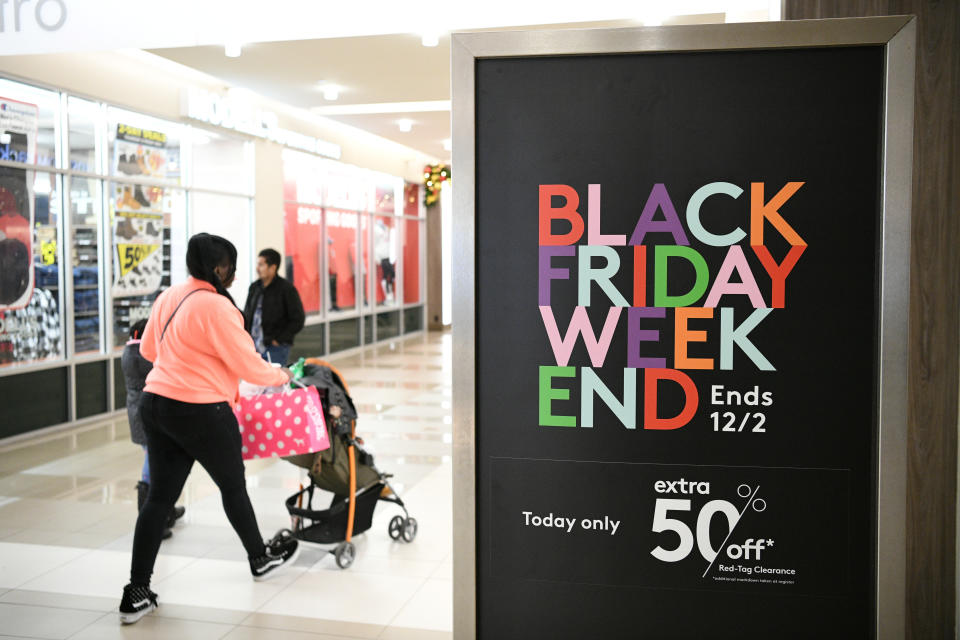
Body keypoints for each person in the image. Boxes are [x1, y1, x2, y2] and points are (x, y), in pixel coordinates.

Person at [119, 233, 299, 625]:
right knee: (232, 487)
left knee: (159, 500)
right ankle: (259, 558)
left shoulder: (169, 296)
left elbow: (148, 351)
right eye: (229, 266)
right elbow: (249, 364)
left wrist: (187, 360)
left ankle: (136, 592)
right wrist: (281, 374)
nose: (233, 274)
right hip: (202, 410)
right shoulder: (217, 306)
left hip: (157, 404)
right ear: (218, 268)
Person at [121, 319, 185, 540]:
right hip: (149, 414)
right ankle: (153, 520)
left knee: (158, 463)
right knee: (153, 467)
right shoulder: (144, 354)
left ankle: (166, 510)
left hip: (139, 414)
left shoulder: (129, 352)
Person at [242, 248, 305, 366]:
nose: (257, 268)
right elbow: (247, 313)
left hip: (276, 348)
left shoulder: (286, 289)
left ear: (273, 267)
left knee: (272, 383)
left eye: (261, 265)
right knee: (256, 383)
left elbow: (298, 319)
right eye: (257, 264)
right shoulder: (254, 287)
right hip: (254, 347)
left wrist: (279, 340)